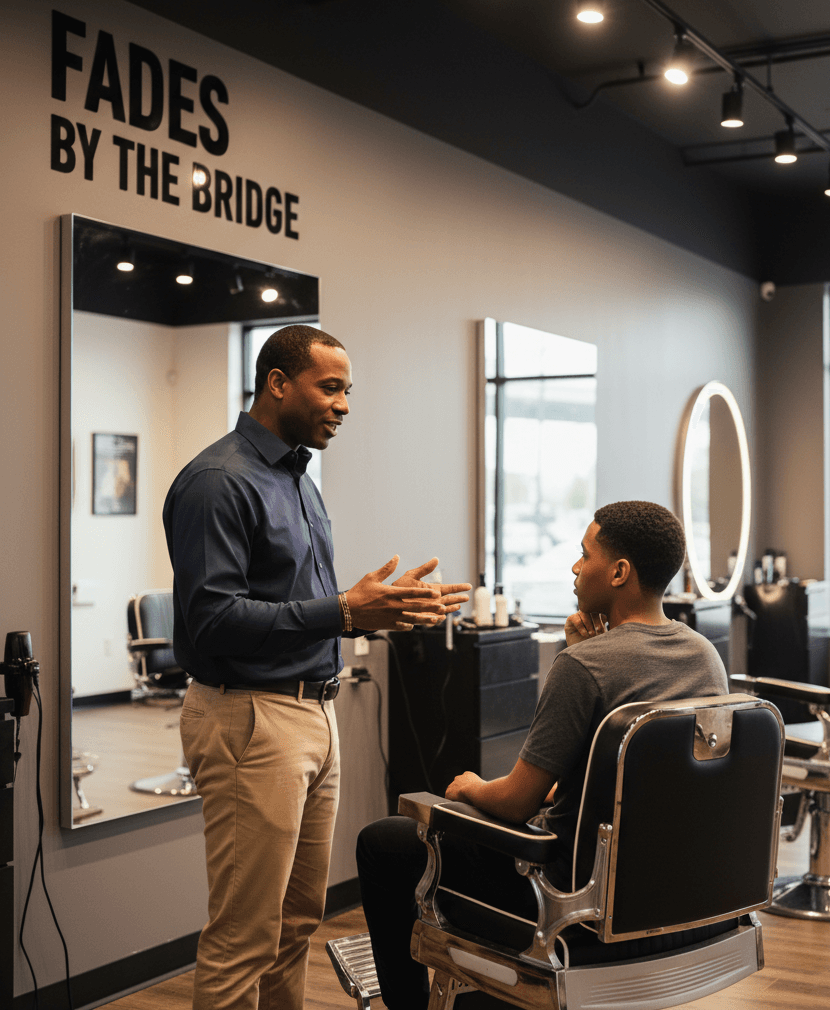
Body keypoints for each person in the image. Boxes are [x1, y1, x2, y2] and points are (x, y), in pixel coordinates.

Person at [163, 324, 470, 1010]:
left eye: (347, 390)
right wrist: (346, 611)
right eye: (330, 387)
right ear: (277, 383)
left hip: (312, 713)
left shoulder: (298, 480)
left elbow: (308, 606)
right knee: (244, 936)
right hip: (250, 719)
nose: (345, 404)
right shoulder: (219, 482)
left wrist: (384, 609)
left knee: (297, 921)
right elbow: (213, 620)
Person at [356, 500, 728, 1010]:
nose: (575, 567)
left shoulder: (584, 666)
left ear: (619, 572)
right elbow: (632, 776)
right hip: (676, 895)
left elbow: (513, 802)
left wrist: (468, 788)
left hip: (569, 897)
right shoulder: (705, 656)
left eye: (584, 555)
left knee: (384, 841)